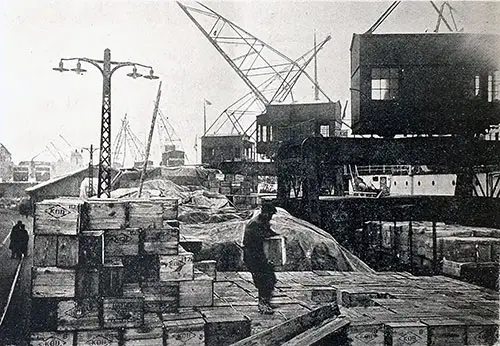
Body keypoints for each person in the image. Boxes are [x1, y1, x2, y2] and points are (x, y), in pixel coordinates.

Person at [243, 203, 279, 314]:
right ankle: (263, 304)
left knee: (270, 279)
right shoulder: (255, 224)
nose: (271, 217)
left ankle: (266, 301)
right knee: (263, 280)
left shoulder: (263, 221)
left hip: (260, 255)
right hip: (253, 256)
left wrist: (277, 235)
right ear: (265, 213)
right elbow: (260, 238)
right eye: (270, 214)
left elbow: (268, 232)